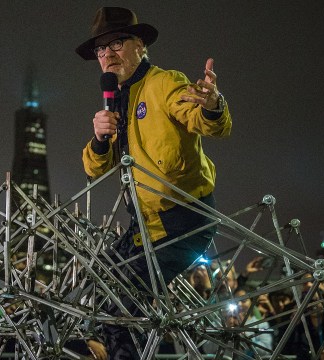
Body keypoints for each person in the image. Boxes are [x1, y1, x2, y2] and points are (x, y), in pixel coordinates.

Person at [77, 7, 232, 359]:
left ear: (140, 45)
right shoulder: (117, 99)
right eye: (100, 50)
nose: (107, 55)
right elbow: (94, 168)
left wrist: (212, 104)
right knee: (97, 293)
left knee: (119, 307)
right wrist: (101, 139)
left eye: (116, 43)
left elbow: (205, 120)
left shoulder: (165, 83)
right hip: (145, 226)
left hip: (184, 222)